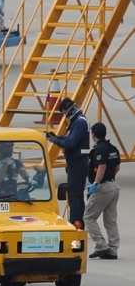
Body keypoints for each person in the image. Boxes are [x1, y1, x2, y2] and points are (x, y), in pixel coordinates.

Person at [46, 97, 90, 228]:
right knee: (77, 195)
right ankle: (79, 223)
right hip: (78, 163)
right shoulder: (78, 121)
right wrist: (57, 138)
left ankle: (76, 223)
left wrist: (55, 141)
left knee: (74, 196)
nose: (65, 116)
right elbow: (71, 139)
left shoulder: (79, 123)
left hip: (77, 164)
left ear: (69, 110)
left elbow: (71, 143)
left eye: (65, 112)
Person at [85, 122, 121, 259]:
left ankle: (101, 245)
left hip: (103, 187)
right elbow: (117, 166)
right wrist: (110, 177)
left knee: (88, 216)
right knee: (110, 220)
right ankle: (113, 249)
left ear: (93, 134)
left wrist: (95, 183)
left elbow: (102, 166)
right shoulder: (113, 148)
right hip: (113, 186)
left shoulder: (99, 149)